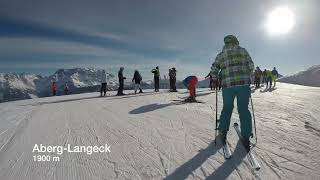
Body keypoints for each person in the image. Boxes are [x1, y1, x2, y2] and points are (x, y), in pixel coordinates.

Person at [210, 35, 254, 152]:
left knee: (227, 108)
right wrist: (247, 74)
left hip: (228, 86)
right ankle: (246, 134)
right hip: (243, 85)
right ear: (236, 41)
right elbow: (251, 66)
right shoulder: (243, 51)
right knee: (243, 109)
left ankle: (223, 130)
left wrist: (215, 78)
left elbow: (214, 70)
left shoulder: (221, 55)